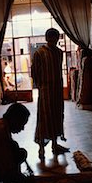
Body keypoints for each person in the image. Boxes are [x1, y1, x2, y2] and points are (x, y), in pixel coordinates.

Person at [31, 28, 69, 160]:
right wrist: (41, 87)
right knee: (44, 117)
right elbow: (34, 72)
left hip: (57, 89)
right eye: (51, 38)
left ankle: (55, 144)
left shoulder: (59, 52)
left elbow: (58, 69)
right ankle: (41, 148)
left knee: (57, 115)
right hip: (46, 90)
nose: (54, 40)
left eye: (56, 38)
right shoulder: (39, 53)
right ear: (47, 38)